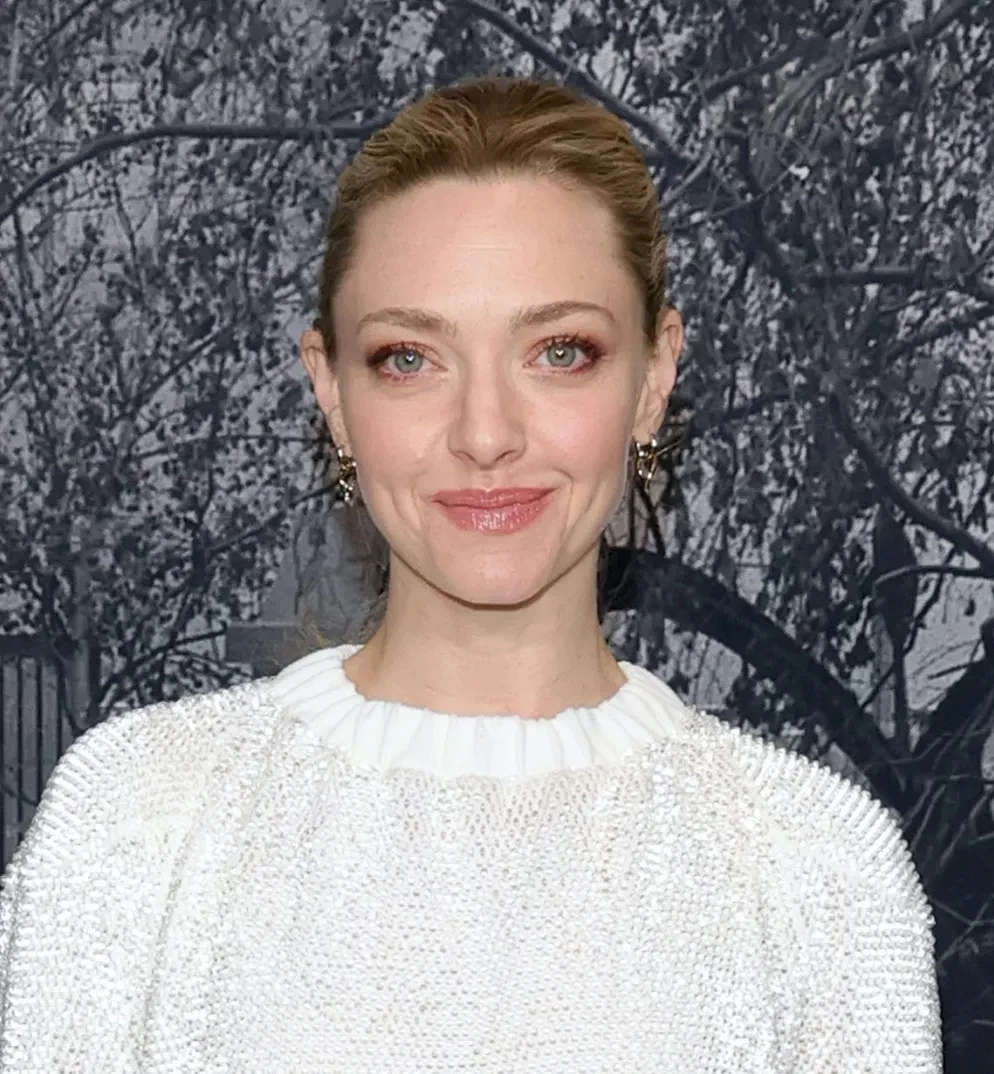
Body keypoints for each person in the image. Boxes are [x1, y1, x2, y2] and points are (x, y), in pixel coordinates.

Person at [0, 76, 941, 1072]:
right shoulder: (137, 817)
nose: (485, 433)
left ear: (653, 379)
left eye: (560, 352)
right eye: (410, 358)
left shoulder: (815, 869)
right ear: (332, 392)